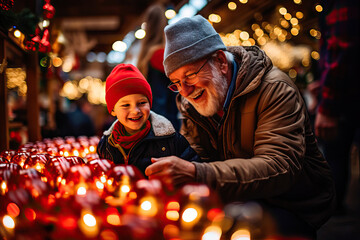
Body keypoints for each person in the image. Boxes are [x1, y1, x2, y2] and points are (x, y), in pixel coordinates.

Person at [144, 15, 336, 238]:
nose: (185, 91)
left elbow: (279, 166)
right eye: (177, 83)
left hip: (292, 204)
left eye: (190, 75)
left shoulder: (274, 89)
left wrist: (197, 173)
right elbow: (196, 155)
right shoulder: (190, 103)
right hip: (235, 198)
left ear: (221, 62)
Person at [96, 63, 200, 177]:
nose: (135, 111)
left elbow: (192, 169)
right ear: (113, 110)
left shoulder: (170, 139)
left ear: (150, 104)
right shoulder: (106, 144)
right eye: (126, 105)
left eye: (142, 103)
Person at [311, 0, 360, 213]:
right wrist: (322, 84)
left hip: (348, 101)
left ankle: (332, 210)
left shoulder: (343, 4)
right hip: (347, 97)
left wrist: (328, 108)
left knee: (335, 154)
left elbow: (342, 50)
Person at [136, 4, 180, 131]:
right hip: (165, 124)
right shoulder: (160, 55)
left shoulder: (144, 56)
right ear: (164, 24)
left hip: (149, 122)